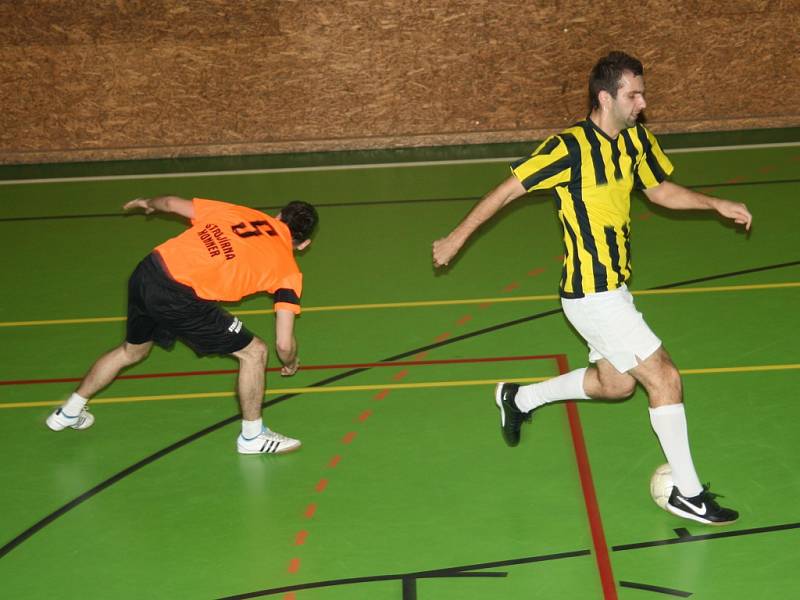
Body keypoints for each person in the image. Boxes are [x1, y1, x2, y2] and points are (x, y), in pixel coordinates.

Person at [432, 51, 752, 525]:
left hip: (614, 289)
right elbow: (508, 190)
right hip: (590, 291)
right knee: (665, 378)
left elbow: (659, 189)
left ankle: (519, 399)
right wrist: (457, 237)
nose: (642, 102)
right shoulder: (568, 148)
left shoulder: (635, 140)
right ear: (605, 98)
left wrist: (714, 203)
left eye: (642, 93)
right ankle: (689, 493)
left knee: (616, 384)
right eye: (633, 95)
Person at [46, 195, 318, 455]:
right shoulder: (288, 272)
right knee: (254, 352)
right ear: (304, 244)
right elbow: (283, 343)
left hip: (148, 271)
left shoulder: (240, 213)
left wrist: (148, 203)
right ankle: (252, 436)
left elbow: (170, 203)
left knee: (132, 351)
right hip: (179, 296)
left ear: (278, 216)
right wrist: (291, 362)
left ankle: (69, 411)